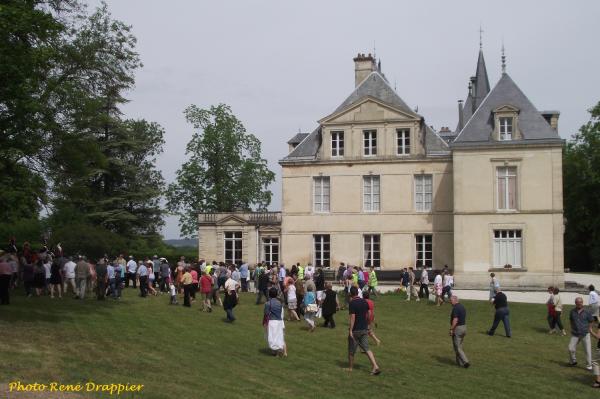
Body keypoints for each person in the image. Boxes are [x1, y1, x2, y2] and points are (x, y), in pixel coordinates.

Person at [347, 286, 381, 375]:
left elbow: (353, 317)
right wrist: (368, 323)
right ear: (358, 293)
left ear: (351, 293)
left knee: (351, 350)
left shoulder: (352, 303)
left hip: (356, 330)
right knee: (367, 349)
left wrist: (350, 330)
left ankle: (350, 368)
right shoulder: (364, 301)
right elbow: (369, 313)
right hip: (364, 329)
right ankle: (375, 366)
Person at [568, 297, 594, 370]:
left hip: (585, 334)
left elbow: (591, 321)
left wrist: (589, 329)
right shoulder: (572, 311)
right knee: (570, 348)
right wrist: (572, 327)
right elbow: (571, 320)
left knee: (588, 350)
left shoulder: (587, 312)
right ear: (575, 303)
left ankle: (589, 365)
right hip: (575, 334)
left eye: (580, 302)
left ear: (582, 303)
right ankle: (573, 361)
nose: (579, 304)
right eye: (577, 303)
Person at [264, 287, 287, 357]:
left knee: (272, 337)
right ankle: (278, 352)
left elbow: (266, 313)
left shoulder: (268, 303)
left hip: (272, 321)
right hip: (279, 321)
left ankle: (277, 350)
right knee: (278, 336)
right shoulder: (280, 303)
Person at [450, 295, 470, 368]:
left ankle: (465, 362)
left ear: (455, 300)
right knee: (459, 345)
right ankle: (459, 363)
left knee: (457, 347)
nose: (450, 302)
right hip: (464, 327)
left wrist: (451, 329)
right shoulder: (462, 307)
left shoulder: (455, 308)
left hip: (458, 328)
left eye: (451, 301)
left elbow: (455, 320)